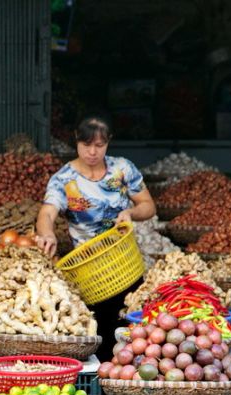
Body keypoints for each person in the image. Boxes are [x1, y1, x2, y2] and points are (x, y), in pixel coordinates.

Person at [35, 114, 156, 360]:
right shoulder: (64, 179)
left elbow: (148, 206)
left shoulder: (122, 169)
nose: (92, 152)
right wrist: (47, 234)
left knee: (134, 340)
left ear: (108, 143)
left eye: (99, 146)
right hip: (90, 274)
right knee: (99, 338)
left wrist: (130, 211)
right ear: (76, 142)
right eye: (86, 145)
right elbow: (47, 213)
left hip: (125, 265)